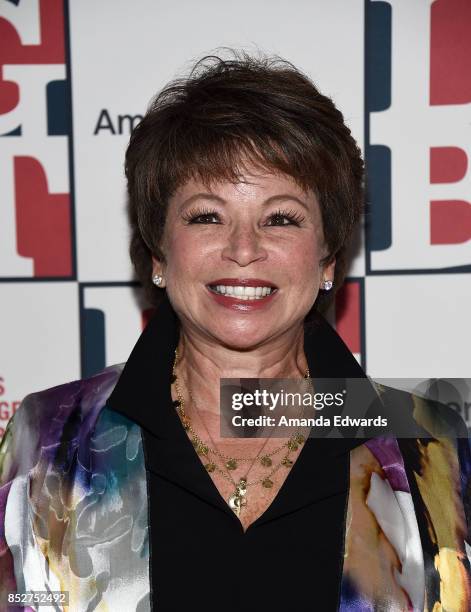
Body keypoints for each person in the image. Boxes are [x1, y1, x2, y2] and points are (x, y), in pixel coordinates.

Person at [1, 52, 470, 612]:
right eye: (206, 216)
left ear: (327, 259)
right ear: (158, 252)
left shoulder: (435, 449)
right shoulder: (50, 442)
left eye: (281, 218)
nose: (243, 250)